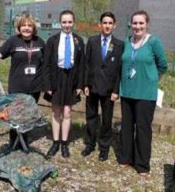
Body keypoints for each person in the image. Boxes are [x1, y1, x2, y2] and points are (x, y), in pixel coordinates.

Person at [0, 13, 45, 150]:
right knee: (15, 115)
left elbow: (46, 63)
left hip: (34, 86)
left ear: (33, 28)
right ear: (19, 27)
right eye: (24, 25)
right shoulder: (13, 41)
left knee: (28, 115)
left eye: (29, 25)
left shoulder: (40, 42)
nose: (26, 28)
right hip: (17, 86)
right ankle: (14, 142)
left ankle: (24, 141)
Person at [118, 10, 168, 176]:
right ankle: (126, 157)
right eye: (135, 23)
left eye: (141, 23)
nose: (137, 26)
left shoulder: (154, 42)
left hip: (145, 94)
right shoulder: (127, 41)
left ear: (146, 24)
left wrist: (151, 80)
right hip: (126, 92)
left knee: (143, 129)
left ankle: (142, 164)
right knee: (126, 127)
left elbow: (163, 65)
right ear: (131, 24)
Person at [81, 12, 123, 161]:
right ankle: (90, 144)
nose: (107, 26)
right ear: (100, 24)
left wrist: (116, 90)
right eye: (104, 23)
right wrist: (85, 83)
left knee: (106, 120)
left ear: (114, 25)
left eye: (110, 23)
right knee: (91, 117)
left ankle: (104, 148)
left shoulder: (119, 45)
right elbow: (86, 64)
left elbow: (119, 70)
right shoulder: (92, 41)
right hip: (92, 87)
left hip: (109, 90)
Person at [43, 10, 85, 158]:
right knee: (56, 111)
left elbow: (81, 65)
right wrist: (47, 85)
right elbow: (46, 64)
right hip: (56, 78)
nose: (67, 25)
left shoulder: (79, 40)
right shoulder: (52, 41)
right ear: (59, 23)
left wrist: (80, 85)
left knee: (67, 112)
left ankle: (64, 143)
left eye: (69, 22)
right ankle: (55, 142)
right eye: (64, 22)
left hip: (71, 79)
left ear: (73, 23)